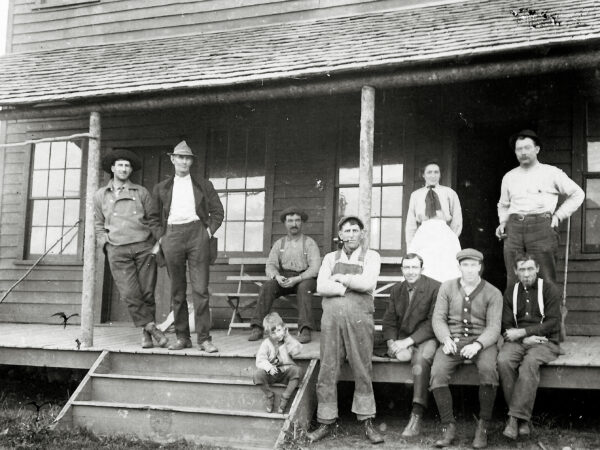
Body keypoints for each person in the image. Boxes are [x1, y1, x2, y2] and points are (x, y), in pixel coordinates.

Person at [307, 216, 384, 445]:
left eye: (354, 230)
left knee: (362, 367)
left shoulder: (371, 256)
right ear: (340, 235)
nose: (350, 235)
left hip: (360, 320)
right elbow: (321, 286)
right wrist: (346, 289)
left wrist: (341, 278)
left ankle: (367, 421)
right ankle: (325, 421)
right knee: (328, 367)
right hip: (331, 321)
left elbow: (368, 283)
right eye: (346, 231)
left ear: (362, 233)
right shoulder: (330, 257)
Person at [148, 140, 224, 352]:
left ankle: (204, 339)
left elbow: (218, 211)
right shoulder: (161, 188)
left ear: (191, 161)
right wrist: (162, 237)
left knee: (200, 289)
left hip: (197, 234)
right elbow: (153, 218)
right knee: (178, 291)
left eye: (187, 157)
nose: (183, 161)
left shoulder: (203, 185)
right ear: (173, 159)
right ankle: (183, 338)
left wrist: (207, 231)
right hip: (172, 235)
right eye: (179, 157)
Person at [93, 149, 168, 349]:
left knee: (147, 293)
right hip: (117, 249)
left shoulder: (141, 192)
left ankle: (146, 334)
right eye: (120, 165)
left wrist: (155, 245)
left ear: (131, 170)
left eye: (127, 166)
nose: (124, 169)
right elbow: (98, 224)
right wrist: (105, 244)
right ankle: (152, 328)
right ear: (112, 168)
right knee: (129, 293)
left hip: (143, 247)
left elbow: (153, 219)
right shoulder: (101, 195)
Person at [430, 248, 503, 449]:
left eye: (473, 265)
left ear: (480, 267)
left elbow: (494, 327)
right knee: (437, 372)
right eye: (465, 265)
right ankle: (448, 426)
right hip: (453, 340)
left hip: (482, 342)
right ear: (459, 266)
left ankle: (483, 426)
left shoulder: (493, 292)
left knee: (488, 370)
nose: (469, 270)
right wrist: (445, 339)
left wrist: (478, 344)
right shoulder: (447, 287)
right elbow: (438, 318)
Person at [495, 129, 584, 287]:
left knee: (545, 278)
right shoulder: (509, 176)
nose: (523, 152)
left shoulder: (551, 172)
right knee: (514, 278)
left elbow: (578, 194)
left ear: (537, 149)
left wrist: (558, 216)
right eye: (519, 149)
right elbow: (503, 205)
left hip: (541, 227)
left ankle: (546, 312)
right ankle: (517, 312)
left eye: (527, 147)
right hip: (514, 229)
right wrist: (503, 222)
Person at [497, 253, 561, 440]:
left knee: (529, 363)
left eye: (530, 269)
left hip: (545, 341)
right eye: (522, 269)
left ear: (538, 269)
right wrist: (522, 338)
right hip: (519, 341)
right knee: (503, 360)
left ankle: (513, 419)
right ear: (516, 271)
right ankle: (523, 421)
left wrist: (526, 333)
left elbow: (553, 322)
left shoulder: (549, 289)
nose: (526, 274)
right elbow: (506, 324)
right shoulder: (510, 291)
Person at [381, 252, 440, 437]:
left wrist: (407, 342)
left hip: (426, 337)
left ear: (422, 269)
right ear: (402, 269)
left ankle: (417, 413)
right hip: (402, 338)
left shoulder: (435, 288)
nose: (411, 271)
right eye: (407, 267)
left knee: (421, 360)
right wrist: (392, 343)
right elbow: (389, 320)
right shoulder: (397, 290)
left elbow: (432, 323)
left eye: (415, 267)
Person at [248, 206, 321, 344]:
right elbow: (270, 265)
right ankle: (257, 327)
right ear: (285, 223)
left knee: (304, 288)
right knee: (267, 287)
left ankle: (305, 329)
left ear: (302, 223)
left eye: (297, 220)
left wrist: (298, 278)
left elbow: (315, 268)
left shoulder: (309, 243)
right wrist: (277, 277)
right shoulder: (279, 243)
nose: (294, 224)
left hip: (305, 278)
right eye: (290, 221)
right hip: (285, 278)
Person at [406, 161, 462, 282]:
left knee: (445, 270)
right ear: (423, 175)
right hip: (423, 234)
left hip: (444, 234)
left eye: (436, 172)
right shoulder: (416, 195)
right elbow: (411, 222)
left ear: (440, 174)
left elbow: (457, 218)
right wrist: (411, 246)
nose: (433, 175)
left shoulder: (449, 193)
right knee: (425, 268)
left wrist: (451, 238)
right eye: (429, 172)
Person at [253, 312, 303, 414]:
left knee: (297, 371)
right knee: (257, 375)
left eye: (279, 330)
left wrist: (288, 337)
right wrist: (268, 367)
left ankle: (285, 397)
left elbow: (297, 351)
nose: (277, 334)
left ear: (284, 328)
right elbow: (260, 360)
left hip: (286, 372)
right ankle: (269, 395)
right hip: (272, 373)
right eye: (273, 333)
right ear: (268, 333)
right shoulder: (266, 343)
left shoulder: (287, 340)